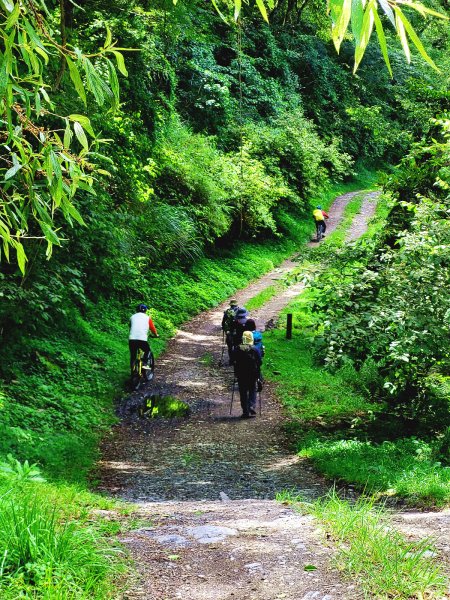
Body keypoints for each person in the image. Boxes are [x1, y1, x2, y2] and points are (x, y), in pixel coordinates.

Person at [234, 330, 261, 419]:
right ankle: (251, 406)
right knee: (252, 389)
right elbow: (259, 362)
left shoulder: (238, 348)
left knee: (243, 392)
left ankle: (245, 411)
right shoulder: (255, 349)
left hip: (241, 373)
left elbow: (233, 361)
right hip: (252, 373)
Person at [129, 303, 159, 374]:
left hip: (132, 339)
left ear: (136, 310)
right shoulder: (147, 318)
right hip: (142, 339)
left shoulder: (132, 317)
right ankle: (144, 364)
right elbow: (152, 328)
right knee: (147, 351)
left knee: (133, 356)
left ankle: (133, 372)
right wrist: (156, 335)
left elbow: (130, 326)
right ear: (145, 310)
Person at [222, 299, 239, 364]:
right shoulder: (239, 311)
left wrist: (224, 328)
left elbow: (223, 322)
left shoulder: (227, 311)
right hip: (237, 331)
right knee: (236, 345)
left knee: (230, 347)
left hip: (229, 332)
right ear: (236, 304)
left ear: (230, 305)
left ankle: (231, 360)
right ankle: (236, 359)